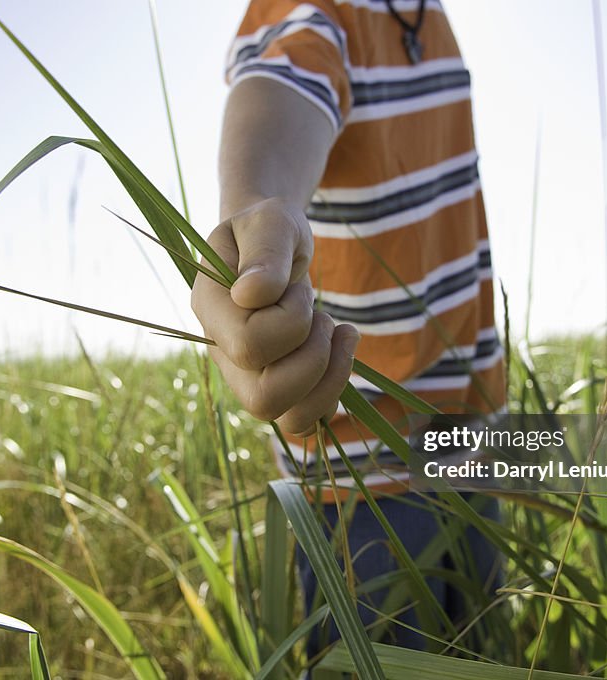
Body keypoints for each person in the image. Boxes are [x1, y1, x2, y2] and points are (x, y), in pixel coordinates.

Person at [191, 0, 505, 667]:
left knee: (485, 653)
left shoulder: (427, 15)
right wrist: (253, 215)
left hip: (476, 442)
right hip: (367, 477)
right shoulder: (318, 11)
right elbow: (283, 86)